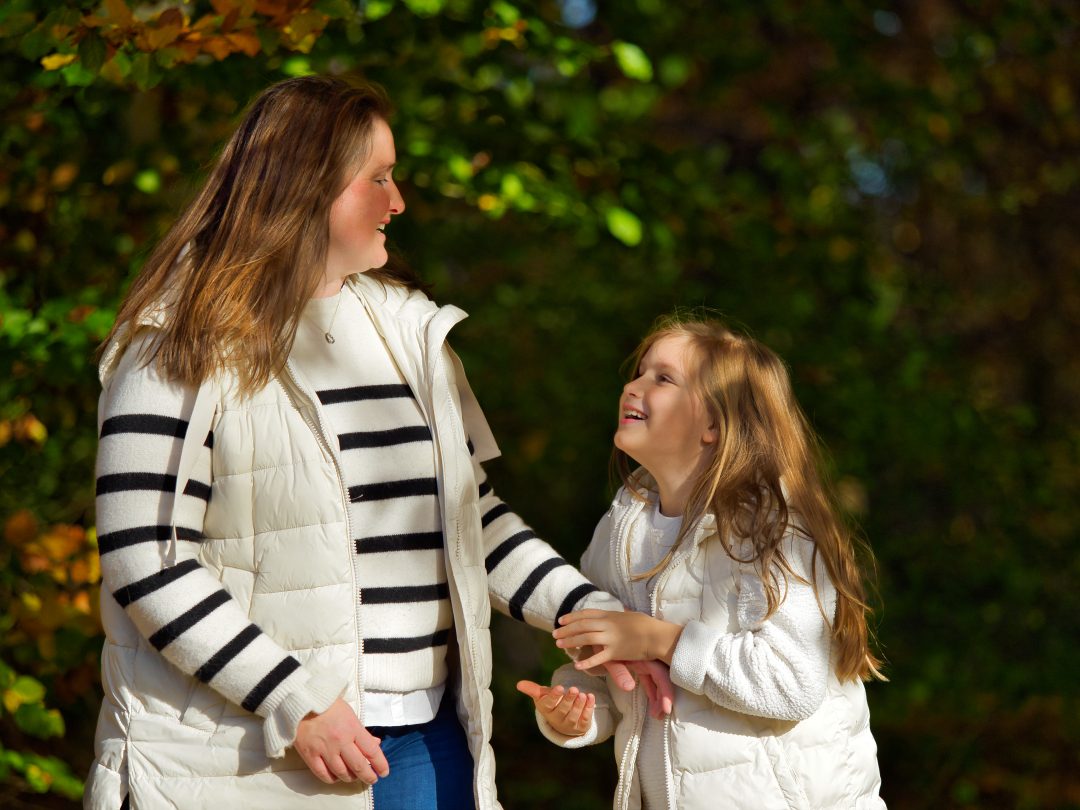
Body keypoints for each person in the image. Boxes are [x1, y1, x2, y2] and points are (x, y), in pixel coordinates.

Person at [85, 75, 658, 810]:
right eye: (378, 179)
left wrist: (586, 613)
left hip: (426, 748)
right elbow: (148, 559)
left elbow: (470, 519)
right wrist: (298, 702)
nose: (399, 202)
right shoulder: (175, 344)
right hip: (245, 762)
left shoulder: (411, 333)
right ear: (305, 186)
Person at [517, 316, 887, 809]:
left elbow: (791, 684)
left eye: (663, 378)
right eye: (640, 371)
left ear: (714, 423)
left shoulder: (774, 531)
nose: (633, 385)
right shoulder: (620, 529)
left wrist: (657, 639)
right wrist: (577, 712)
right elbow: (607, 665)